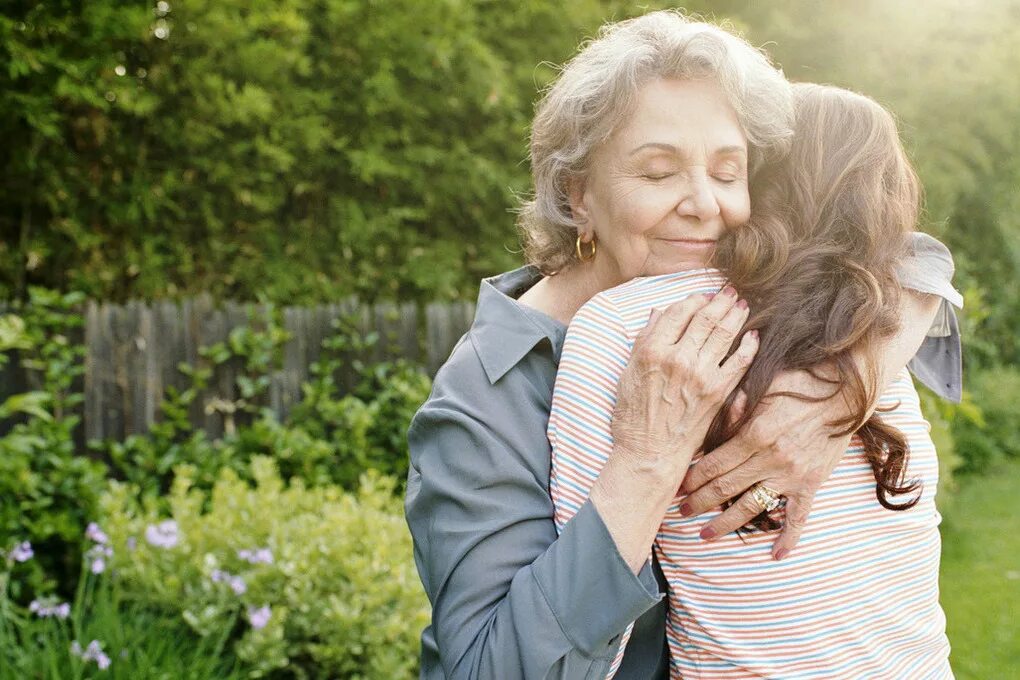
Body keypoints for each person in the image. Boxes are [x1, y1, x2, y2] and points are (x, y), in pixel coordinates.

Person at [404, 11, 963, 679]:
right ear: (579, 196)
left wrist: (838, 393)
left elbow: (914, 259)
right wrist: (644, 464)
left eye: (728, 172)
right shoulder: (483, 400)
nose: (704, 204)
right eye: (659, 171)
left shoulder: (739, 294)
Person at [550, 82, 956, 679]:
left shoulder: (626, 325)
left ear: (757, 177)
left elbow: (589, 595)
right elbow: (923, 259)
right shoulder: (880, 327)